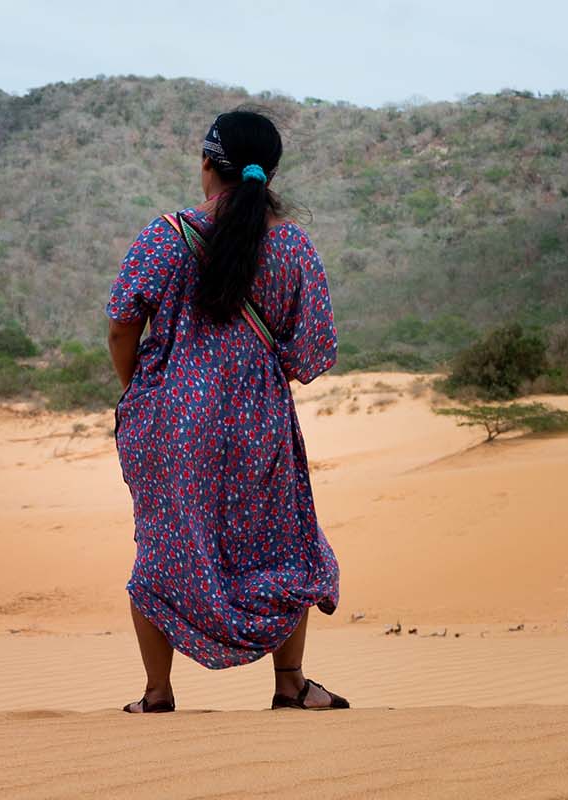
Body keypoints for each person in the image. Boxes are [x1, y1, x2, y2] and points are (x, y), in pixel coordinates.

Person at [104, 109, 347, 712]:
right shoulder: (292, 245)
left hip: (167, 422)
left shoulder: (165, 236)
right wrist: (258, 377)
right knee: (281, 546)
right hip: (258, 421)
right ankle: (290, 685)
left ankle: (157, 694)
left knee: (163, 545)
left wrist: (144, 391)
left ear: (209, 164)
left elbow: (120, 327)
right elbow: (316, 347)